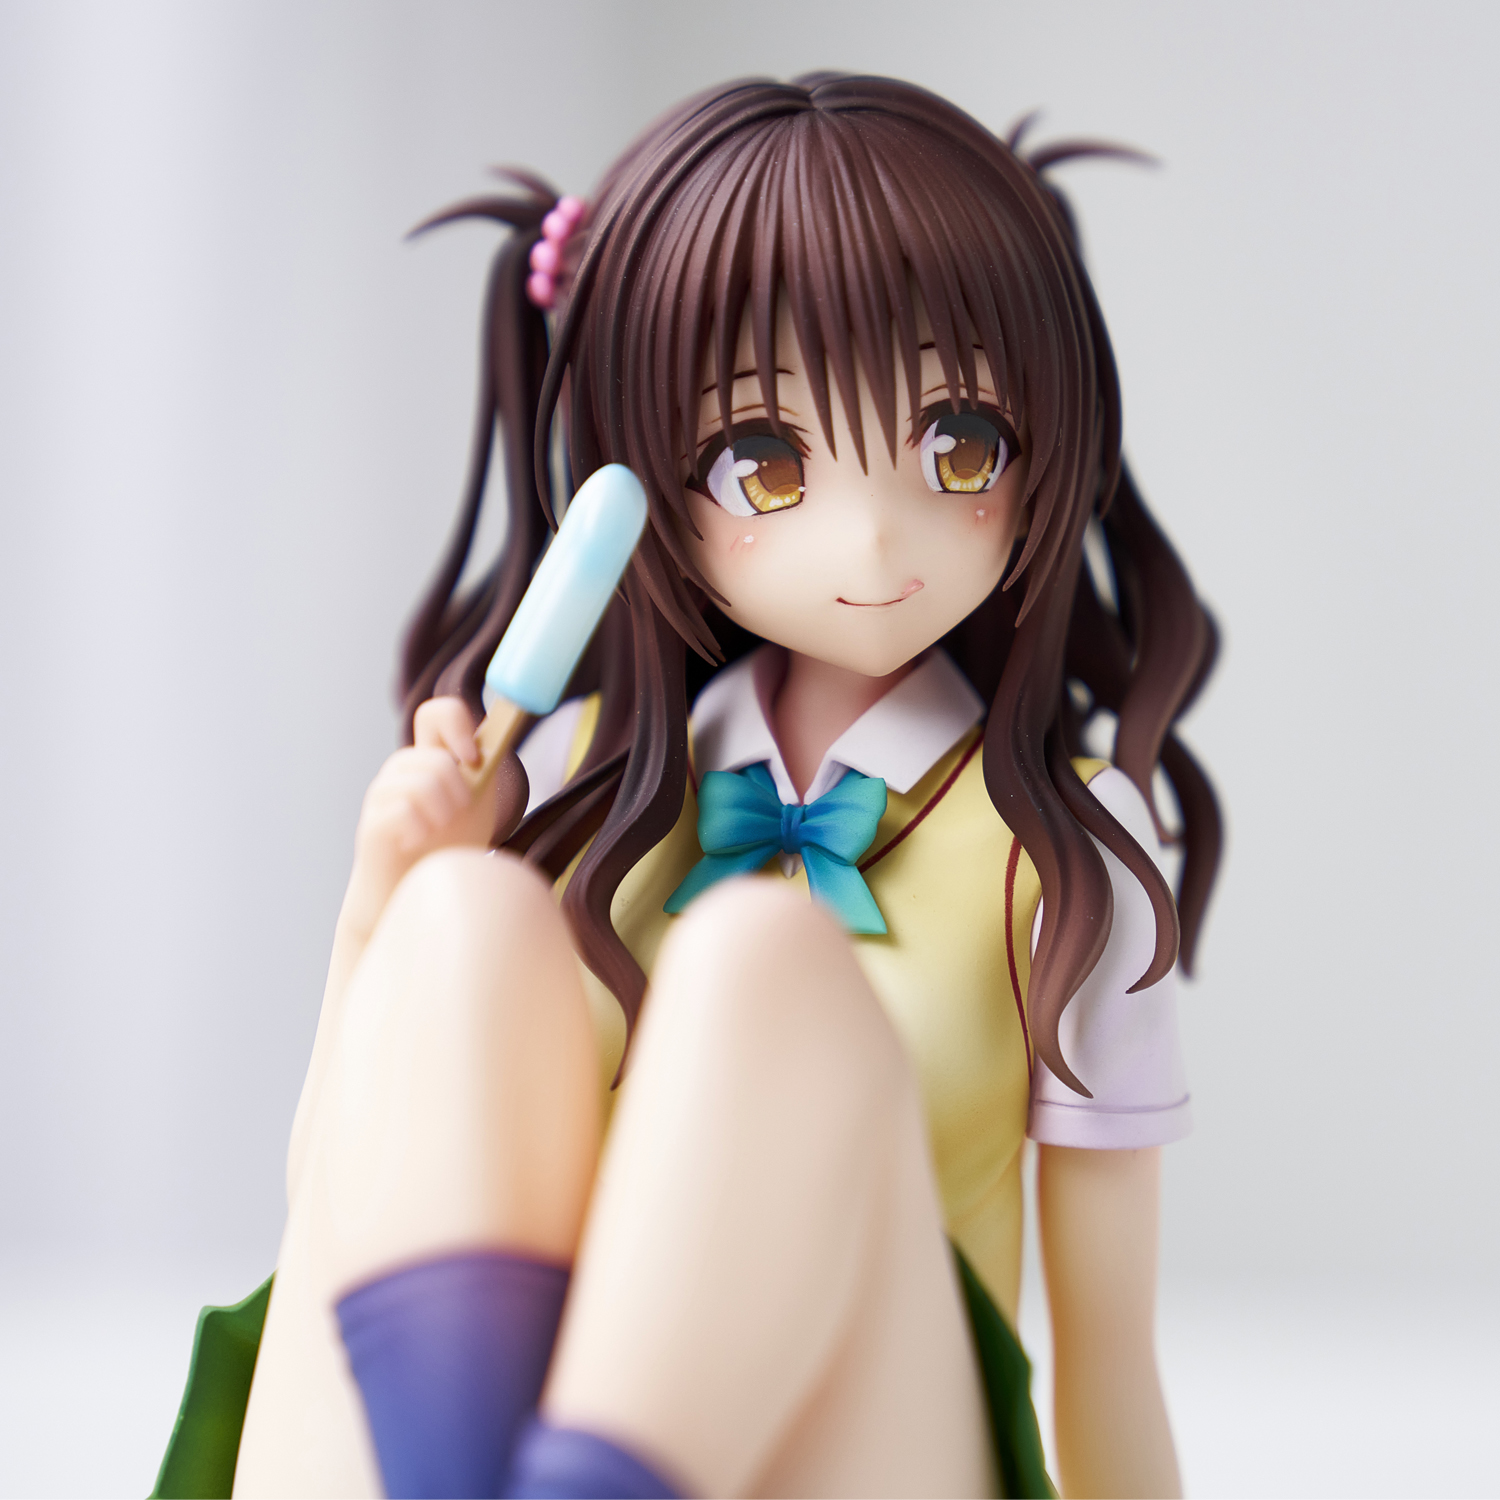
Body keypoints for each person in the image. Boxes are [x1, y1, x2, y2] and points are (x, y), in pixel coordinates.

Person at [158, 73, 1220, 1500]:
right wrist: (383, 903)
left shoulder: (1064, 846)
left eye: (959, 444)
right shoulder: (563, 779)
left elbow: (1105, 1354)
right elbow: (337, 1199)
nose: (873, 534)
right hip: (457, 1441)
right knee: (463, 919)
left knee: (758, 961)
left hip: (867, 1435)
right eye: (763, 462)